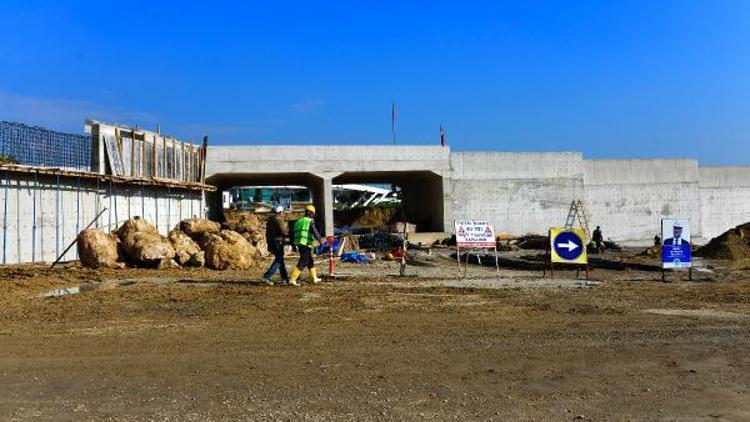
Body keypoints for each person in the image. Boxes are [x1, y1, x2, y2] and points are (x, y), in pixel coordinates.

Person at [289, 204, 323, 286]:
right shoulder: (310, 221)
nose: (313, 216)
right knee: (303, 261)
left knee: (310, 261)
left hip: (299, 244)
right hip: (306, 244)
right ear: (311, 213)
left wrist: (293, 245)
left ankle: (314, 278)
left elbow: (292, 233)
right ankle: (292, 279)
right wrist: (320, 240)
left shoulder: (299, 221)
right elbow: (314, 231)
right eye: (313, 214)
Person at [261, 205, 289, 286]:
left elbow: (267, 234)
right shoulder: (279, 220)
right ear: (280, 212)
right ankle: (266, 276)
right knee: (279, 260)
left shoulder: (270, 221)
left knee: (280, 259)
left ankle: (285, 278)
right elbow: (284, 231)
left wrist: (269, 245)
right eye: (283, 212)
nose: (284, 213)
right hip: (278, 242)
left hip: (272, 242)